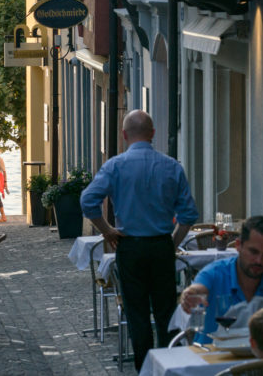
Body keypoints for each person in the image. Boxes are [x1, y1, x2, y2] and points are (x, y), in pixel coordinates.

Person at [80, 109, 199, 371]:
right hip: (160, 245)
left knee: (137, 313)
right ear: (153, 134)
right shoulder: (171, 166)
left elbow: (88, 201)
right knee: (166, 310)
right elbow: (188, 214)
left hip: (130, 246)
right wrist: (173, 242)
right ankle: (171, 366)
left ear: (124, 135)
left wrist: (107, 229)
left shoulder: (115, 166)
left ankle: (145, 368)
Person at [180, 216, 263, 339]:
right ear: (238, 245)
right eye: (254, 252)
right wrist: (190, 294)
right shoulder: (215, 273)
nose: (259, 260)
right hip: (212, 356)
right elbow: (198, 289)